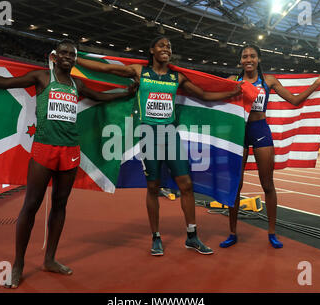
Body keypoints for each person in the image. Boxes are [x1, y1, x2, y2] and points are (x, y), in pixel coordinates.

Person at [0, 39, 137, 288]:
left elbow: (99, 97)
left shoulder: (77, 84)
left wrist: (126, 93)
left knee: (60, 205)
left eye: (72, 55)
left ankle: (50, 259)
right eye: (63, 53)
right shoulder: (41, 78)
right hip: (43, 150)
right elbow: (3, 83)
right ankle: (18, 263)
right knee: (31, 205)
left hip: (70, 151)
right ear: (54, 57)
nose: (68, 58)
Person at [77, 36, 243, 256]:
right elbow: (104, 69)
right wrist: (75, 60)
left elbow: (203, 95)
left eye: (169, 47)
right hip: (148, 134)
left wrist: (231, 93)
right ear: (152, 50)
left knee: (185, 184)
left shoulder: (177, 77)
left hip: (170, 134)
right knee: (153, 188)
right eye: (162, 45)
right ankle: (156, 237)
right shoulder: (139, 71)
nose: (166, 48)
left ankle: (192, 236)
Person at [220, 44, 320, 249]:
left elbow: (295, 100)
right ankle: (232, 232)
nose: (248, 59)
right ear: (240, 61)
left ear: (259, 59)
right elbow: (213, 98)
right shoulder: (232, 81)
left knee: (268, 184)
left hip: (260, 130)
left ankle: (272, 233)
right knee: (235, 184)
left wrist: (317, 83)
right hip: (238, 131)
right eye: (244, 56)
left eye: (252, 56)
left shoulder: (268, 81)